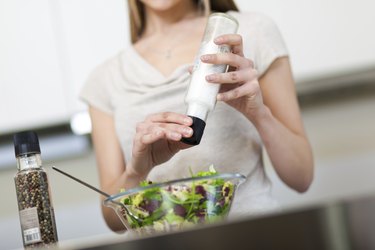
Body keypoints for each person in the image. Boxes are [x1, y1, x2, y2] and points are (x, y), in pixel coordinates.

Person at [80, 0, 314, 232]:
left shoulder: (251, 31)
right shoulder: (104, 79)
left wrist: (258, 114)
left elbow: (301, 176)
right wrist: (137, 171)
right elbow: (113, 221)